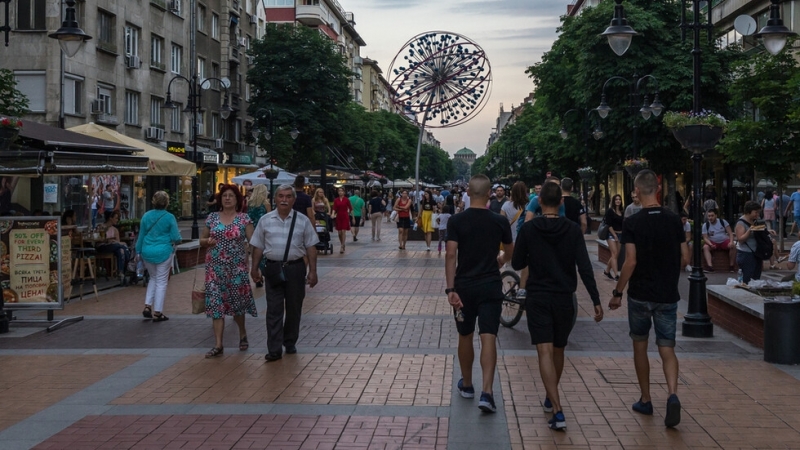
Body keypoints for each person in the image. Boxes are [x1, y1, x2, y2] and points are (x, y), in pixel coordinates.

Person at [511, 181, 603, 431]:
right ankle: (552, 398)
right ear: (561, 201)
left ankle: (557, 407)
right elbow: (584, 266)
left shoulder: (529, 229)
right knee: (559, 349)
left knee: (544, 351)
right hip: (564, 297)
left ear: (539, 202)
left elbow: (517, 262)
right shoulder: (572, 230)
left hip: (538, 296)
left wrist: (532, 255)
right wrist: (595, 299)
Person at [608, 170, 689, 429]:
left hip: (640, 294)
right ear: (658, 189)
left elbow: (630, 261)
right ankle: (672, 394)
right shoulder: (674, 220)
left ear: (636, 191)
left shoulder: (632, 222)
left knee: (640, 346)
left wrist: (618, 292)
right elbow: (686, 258)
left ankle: (646, 399)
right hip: (667, 294)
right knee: (667, 347)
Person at [446, 174, 513, 414]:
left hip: (464, 287)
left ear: (468, 193)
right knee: (488, 337)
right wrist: (500, 261)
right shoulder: (499, 221)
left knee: (465, 335)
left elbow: (451, 255)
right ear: (489, 194)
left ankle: (467, 384)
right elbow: (509, 252)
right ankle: (487, 392)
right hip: (490, 285)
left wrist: (450, 289)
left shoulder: (456, 221)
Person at [250, 185, 319, 362]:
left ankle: (289, 341)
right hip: (273, 268)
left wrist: (313, 271)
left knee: (294, 308)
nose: (284, 200)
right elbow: (258, 246)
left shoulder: (302, 220)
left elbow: (311, 247)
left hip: (295, 268)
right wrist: (254, 268)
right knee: (274, 309)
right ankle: (274, 349)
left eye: (288, 196)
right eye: (281, 196)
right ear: (275, 199)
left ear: (293, 200)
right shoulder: (265, 220)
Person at [200, 185, 256, 358]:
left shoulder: (244, 219)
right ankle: (218, 344)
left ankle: (242, 332)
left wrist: (255, 264)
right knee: (216, 304)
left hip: (236, 269)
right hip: (214, 269)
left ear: (237, 199)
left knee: (237, 305)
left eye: (231, 196)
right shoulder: (212, 218)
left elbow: (253, 242)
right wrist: (207, 241)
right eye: (224, 196)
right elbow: (202, 239)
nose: (227, 198)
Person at [136, 191, 182, 322]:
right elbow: (175, 237)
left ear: (153, 202)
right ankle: (158, 312)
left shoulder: (146, 216)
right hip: (163, 251)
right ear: (167, 203)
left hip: (147, 251)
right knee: (161, 281)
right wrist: (177, 240)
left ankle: (147, 306)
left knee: (153, 278)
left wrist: (138, 251)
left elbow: (141, 235)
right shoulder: (169, 217)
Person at [501, 181, 529, 296]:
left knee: (510, 265)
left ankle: (512, 287)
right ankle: (522, 288)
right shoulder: (529, 205)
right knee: (525, 265)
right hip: (525, 241)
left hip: (510, 240)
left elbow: (502, 222)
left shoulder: (506, 205)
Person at [735, 201, 767, 284]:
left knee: (756, 278)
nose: (757, 214)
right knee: (747, 278)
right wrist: (750, 230)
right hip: (746, 253)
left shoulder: (755, 221)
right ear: (749, 211)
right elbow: (740, 239)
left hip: (756, 253)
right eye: (756, 212)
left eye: (758, 212)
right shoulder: (741, 223)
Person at [95, 211, 131, 285]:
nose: (117, 220)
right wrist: (110, 241)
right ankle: (124, 271)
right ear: (110, 218)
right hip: (102, 246)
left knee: (121, 250)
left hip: (113, 247)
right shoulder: (101, 227)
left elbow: (117, 242)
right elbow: (98, 239)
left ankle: (121, 273)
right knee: (122, 246)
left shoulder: (115, 230)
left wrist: (115, 242)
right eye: (116, 218)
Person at [247, 184, 271, 288]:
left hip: (252, 231)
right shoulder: (266, 204)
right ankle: (262, 273)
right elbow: (270, 218)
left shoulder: (250, 203)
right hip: (263, 231)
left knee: (254, 254)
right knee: (263, 254)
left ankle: (257, 273)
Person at [701, 209, 735, 273]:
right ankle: (710, 267)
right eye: (709, 216)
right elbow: (705, 238)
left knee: (733, 246)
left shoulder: (723, 222)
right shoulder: (706, 225)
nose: (710, 218)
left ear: (716, 215)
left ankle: (731, 266)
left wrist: (731, 242)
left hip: (724, 241)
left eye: (712, 216)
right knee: (705, 247)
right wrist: (710, 244)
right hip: (712, 242)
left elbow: (730, 233)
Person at [603, 194, 624, 280]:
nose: (618, 201)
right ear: (613, 201)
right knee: (614, 254)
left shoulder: (622, 211)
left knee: (615, 255)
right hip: (611, 234)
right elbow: (609, 224)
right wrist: (614, 235)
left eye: (619, 199)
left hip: (620, 234)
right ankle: (616, 275)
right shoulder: (610, 211)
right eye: (616, 199)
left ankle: (607, 271)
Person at [332, 187, 352, 254]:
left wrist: (350, 215)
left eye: (341, 191)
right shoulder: (336, 200)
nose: (340, 192)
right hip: (339, 216)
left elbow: (350, 208)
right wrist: (333, 214)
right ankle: (342, 243)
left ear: (344, 192)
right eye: (339, 191)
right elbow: (334, 208)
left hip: (345, 216)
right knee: (339, 232)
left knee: (343, 231)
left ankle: (342, 245)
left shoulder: (346, 199)